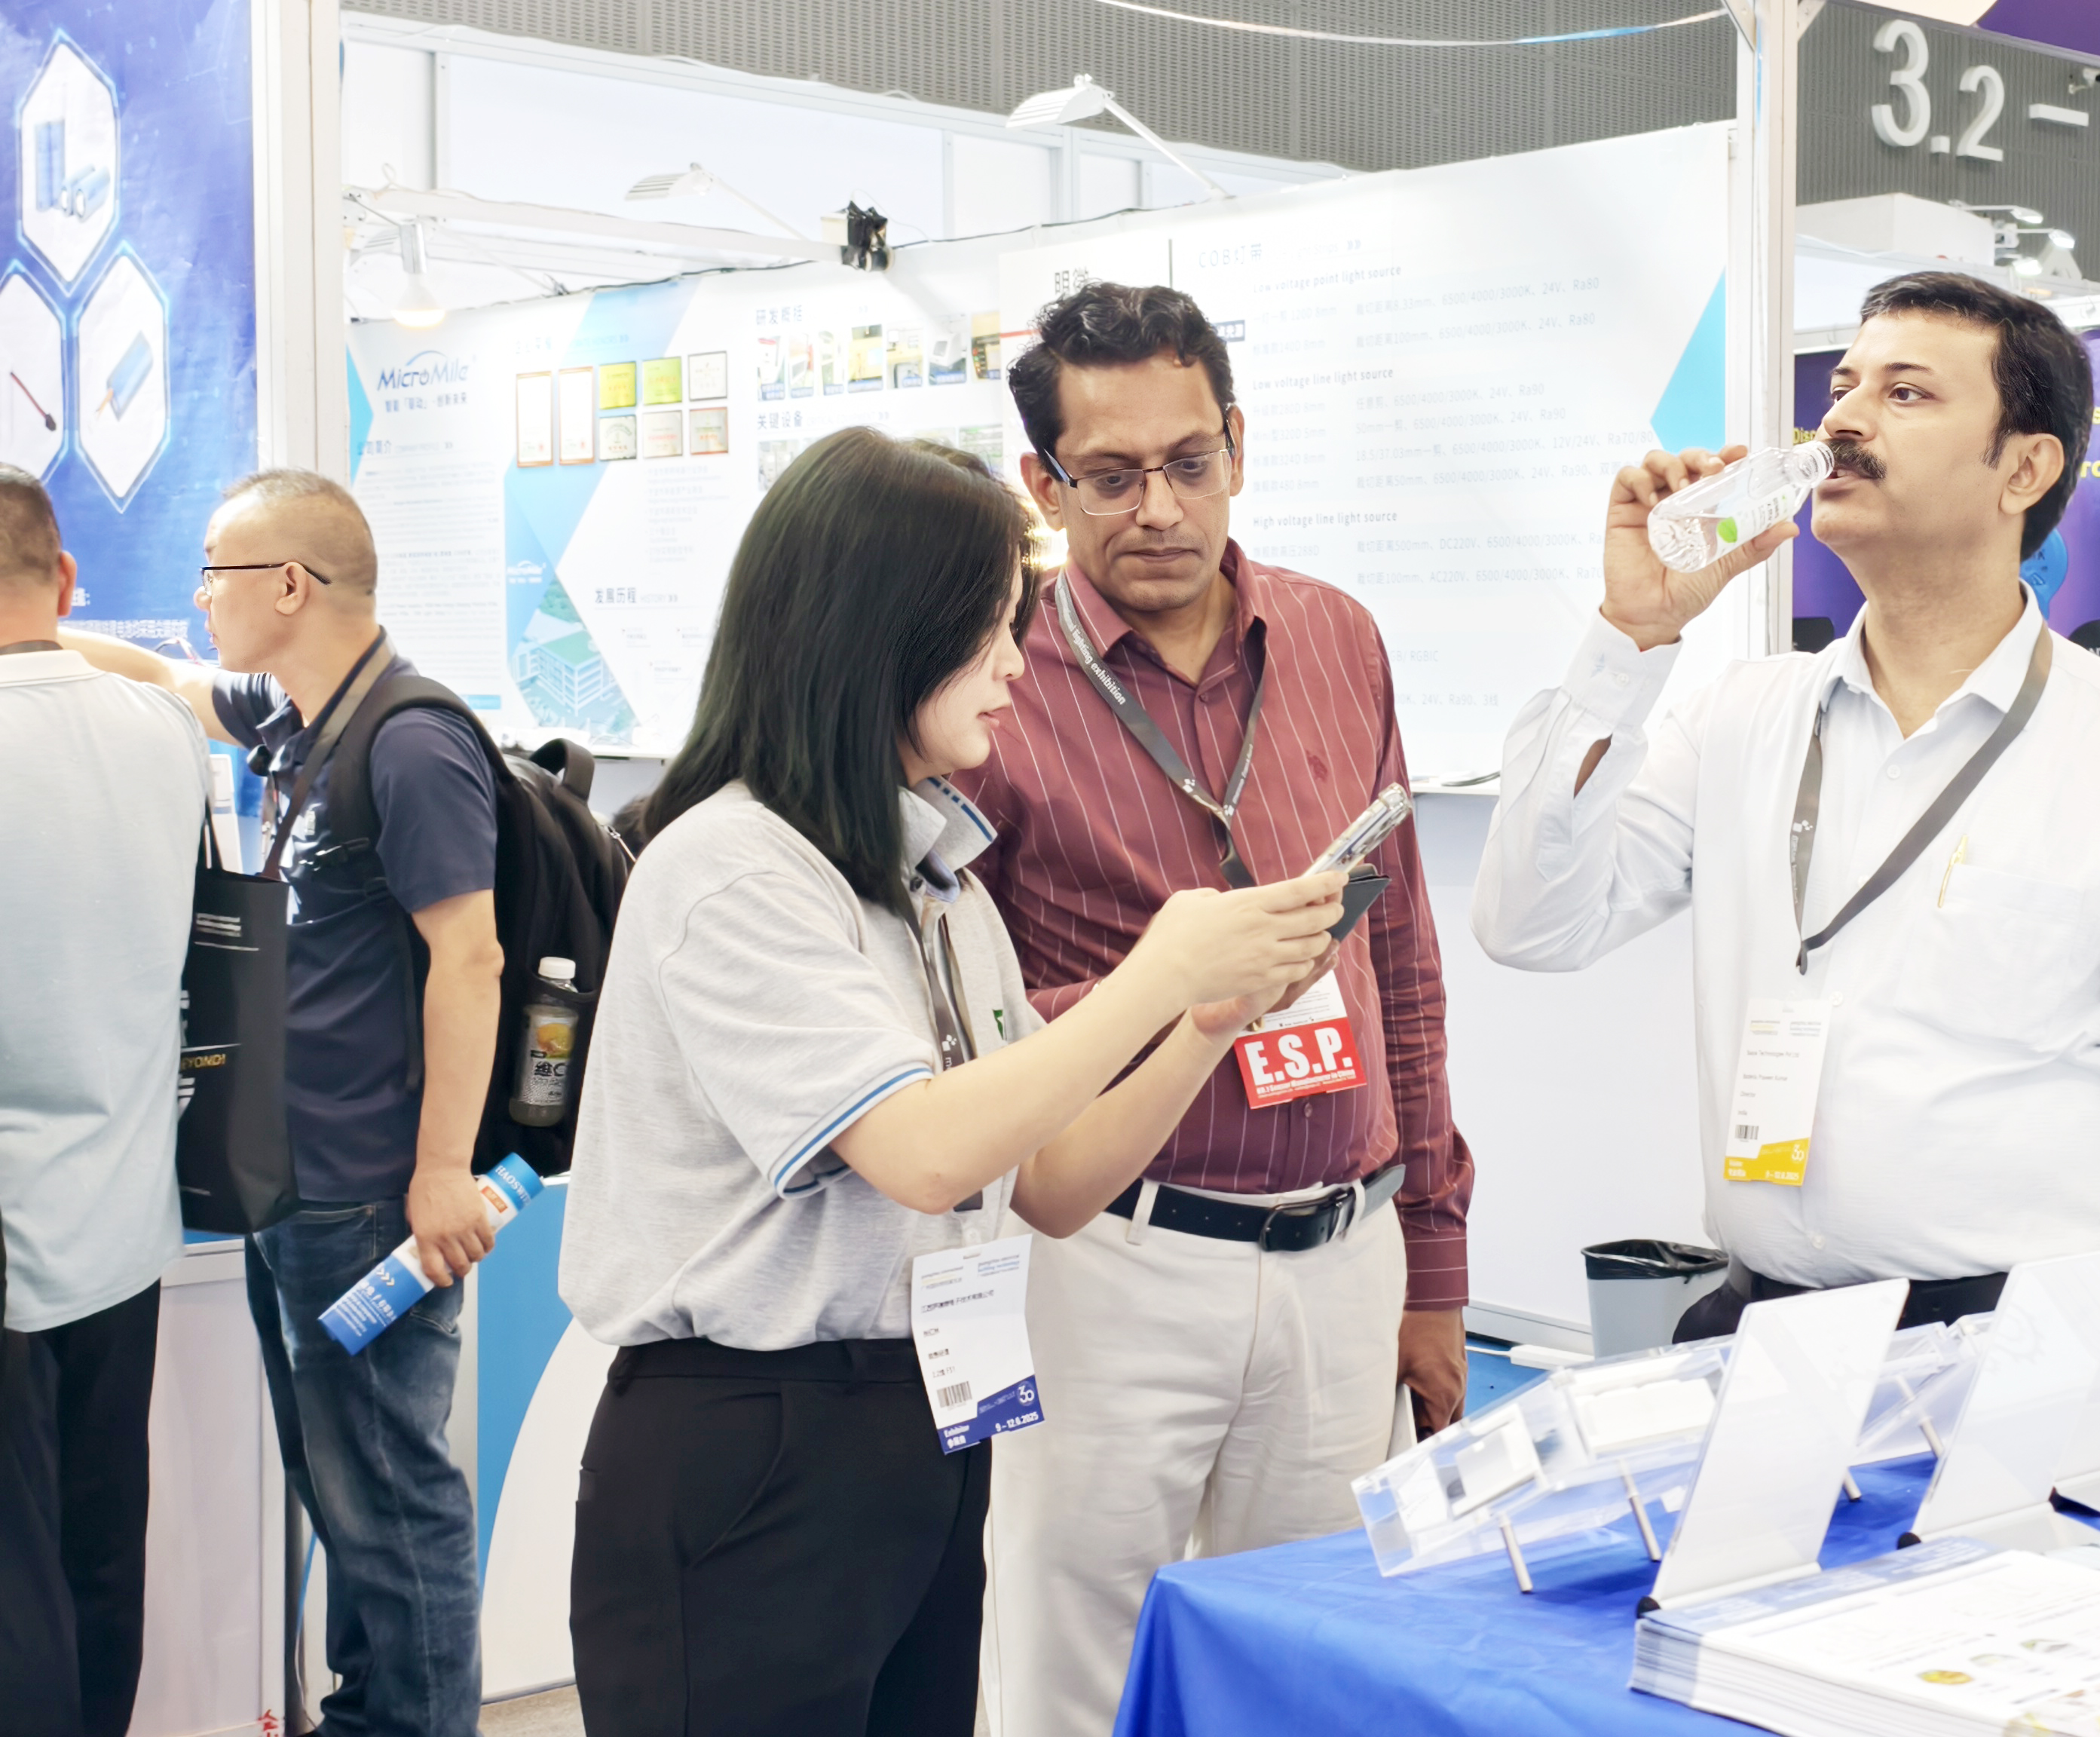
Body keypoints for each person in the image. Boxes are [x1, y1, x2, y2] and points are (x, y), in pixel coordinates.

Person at [556, 427, 1345, 1732]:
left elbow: (1050, 1184)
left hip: (923, 1424)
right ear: (878, 633)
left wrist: (1205, 1022)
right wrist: (1153, 972)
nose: (1015, 668)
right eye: (987, 633)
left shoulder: (936, 885)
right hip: (755, 1438)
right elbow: (920, 1153)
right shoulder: (732, 867)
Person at [1474, 271, 2100, 1341]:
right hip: (1758, 1328)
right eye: (1842, 387)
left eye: (1906, 393)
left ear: (2024, 469)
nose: (1842, 421)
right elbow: (1530, 925)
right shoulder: (1743, 716)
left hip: (2009, 1342)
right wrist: (1632, 638)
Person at [957, 281, 1475, 1737]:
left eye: (1189, 463)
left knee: (1308, 1673)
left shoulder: (1336, 638)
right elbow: (967, 1014)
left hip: (1342, 1246)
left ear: (1238, 444)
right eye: (1110, 476)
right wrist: (1177, 990)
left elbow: (1402, 958)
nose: (1160, 510)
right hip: (1112, 1262)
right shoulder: (994, 680)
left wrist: (1435, 1258)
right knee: (1072, 1675)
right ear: (1042, 484)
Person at [66, 470, 504, 1736]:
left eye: (215, 571)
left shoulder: (410, 742)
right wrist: (35, 638)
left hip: (370, 1197)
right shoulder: (299, 713)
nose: (200, 597)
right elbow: (169, 683)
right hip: (295, 1180)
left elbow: (468, 960)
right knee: (340, 1486)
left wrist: (441, 1172)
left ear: (292, 587)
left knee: (394, 1503)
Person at [0, 468, 198, 1737]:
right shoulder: (162, 733)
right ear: (68, 578)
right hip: (124, 1226)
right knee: (100, 1555)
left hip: (11, 1244)